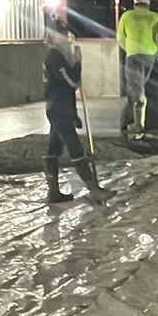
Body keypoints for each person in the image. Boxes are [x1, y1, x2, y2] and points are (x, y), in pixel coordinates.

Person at [43, 20, 108, 204]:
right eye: (61, 34)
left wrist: (73, 113)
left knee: (53, 149)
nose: (66, 38)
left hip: (59, 107)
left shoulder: (59, 55)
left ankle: (53, 192)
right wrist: (78, 63)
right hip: (58, 108)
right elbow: (72, 81)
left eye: (66, 34)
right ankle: (93, 190)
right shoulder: (55, 56)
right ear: (53, 36)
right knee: (75, 147)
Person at [116, 0, 158, 132]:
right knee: (144, 87)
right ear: (148, 6)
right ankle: (136, 120)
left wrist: (130, 49)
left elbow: (120, 38)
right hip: (151, 57)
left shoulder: (127, 16)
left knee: (136, 90)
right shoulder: (155, 17)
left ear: (135, 5)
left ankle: (138, 125)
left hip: (133, 57)